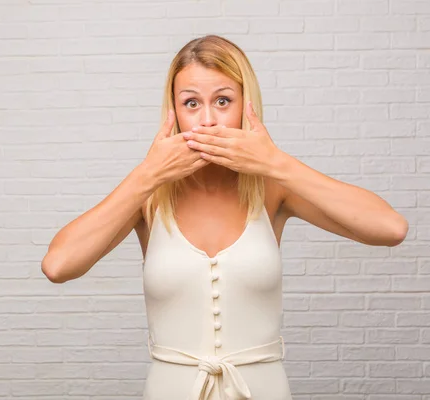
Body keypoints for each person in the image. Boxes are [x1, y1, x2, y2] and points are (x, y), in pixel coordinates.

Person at [41, 35, 409, 400]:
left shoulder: (274, 189)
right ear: (173, 112)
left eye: (223, 101)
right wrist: (146, 175)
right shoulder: (149, 197)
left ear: (246, 106)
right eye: (190, 103)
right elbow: (58, 265)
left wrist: (277, 162)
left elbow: (390, 229)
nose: (207, 120)